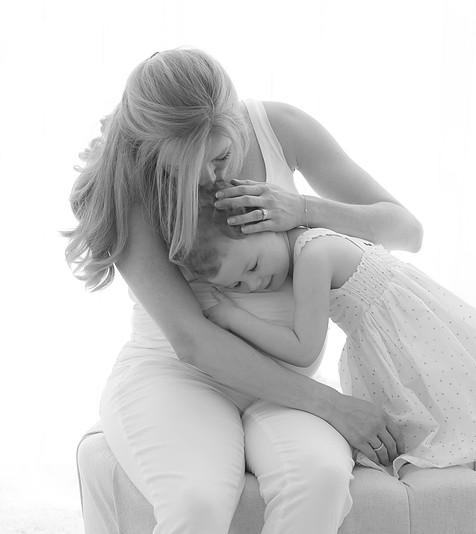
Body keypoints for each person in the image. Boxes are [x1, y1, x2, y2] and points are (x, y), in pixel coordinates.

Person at [64, 47, 424, 534]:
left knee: (318, 479)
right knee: (197, 503)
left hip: (279, 382)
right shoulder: (127, 179)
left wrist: (303, 210)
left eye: (218, 156)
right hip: (176, 375)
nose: (209, 178)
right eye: (183, 167)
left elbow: (407, 231)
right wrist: (332, 405)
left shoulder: (280, 129)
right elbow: (192, 341)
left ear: (234, 119)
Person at [185, 180, 476, 477]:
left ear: (263, 223)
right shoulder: (307, 240)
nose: (254, 285)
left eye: (251, 267)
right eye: (237, 286)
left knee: (444, 386)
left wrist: (234, 317)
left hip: (404, 326)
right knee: (449, 380)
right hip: (412, 319)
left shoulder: (313, 257)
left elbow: (303, 349)